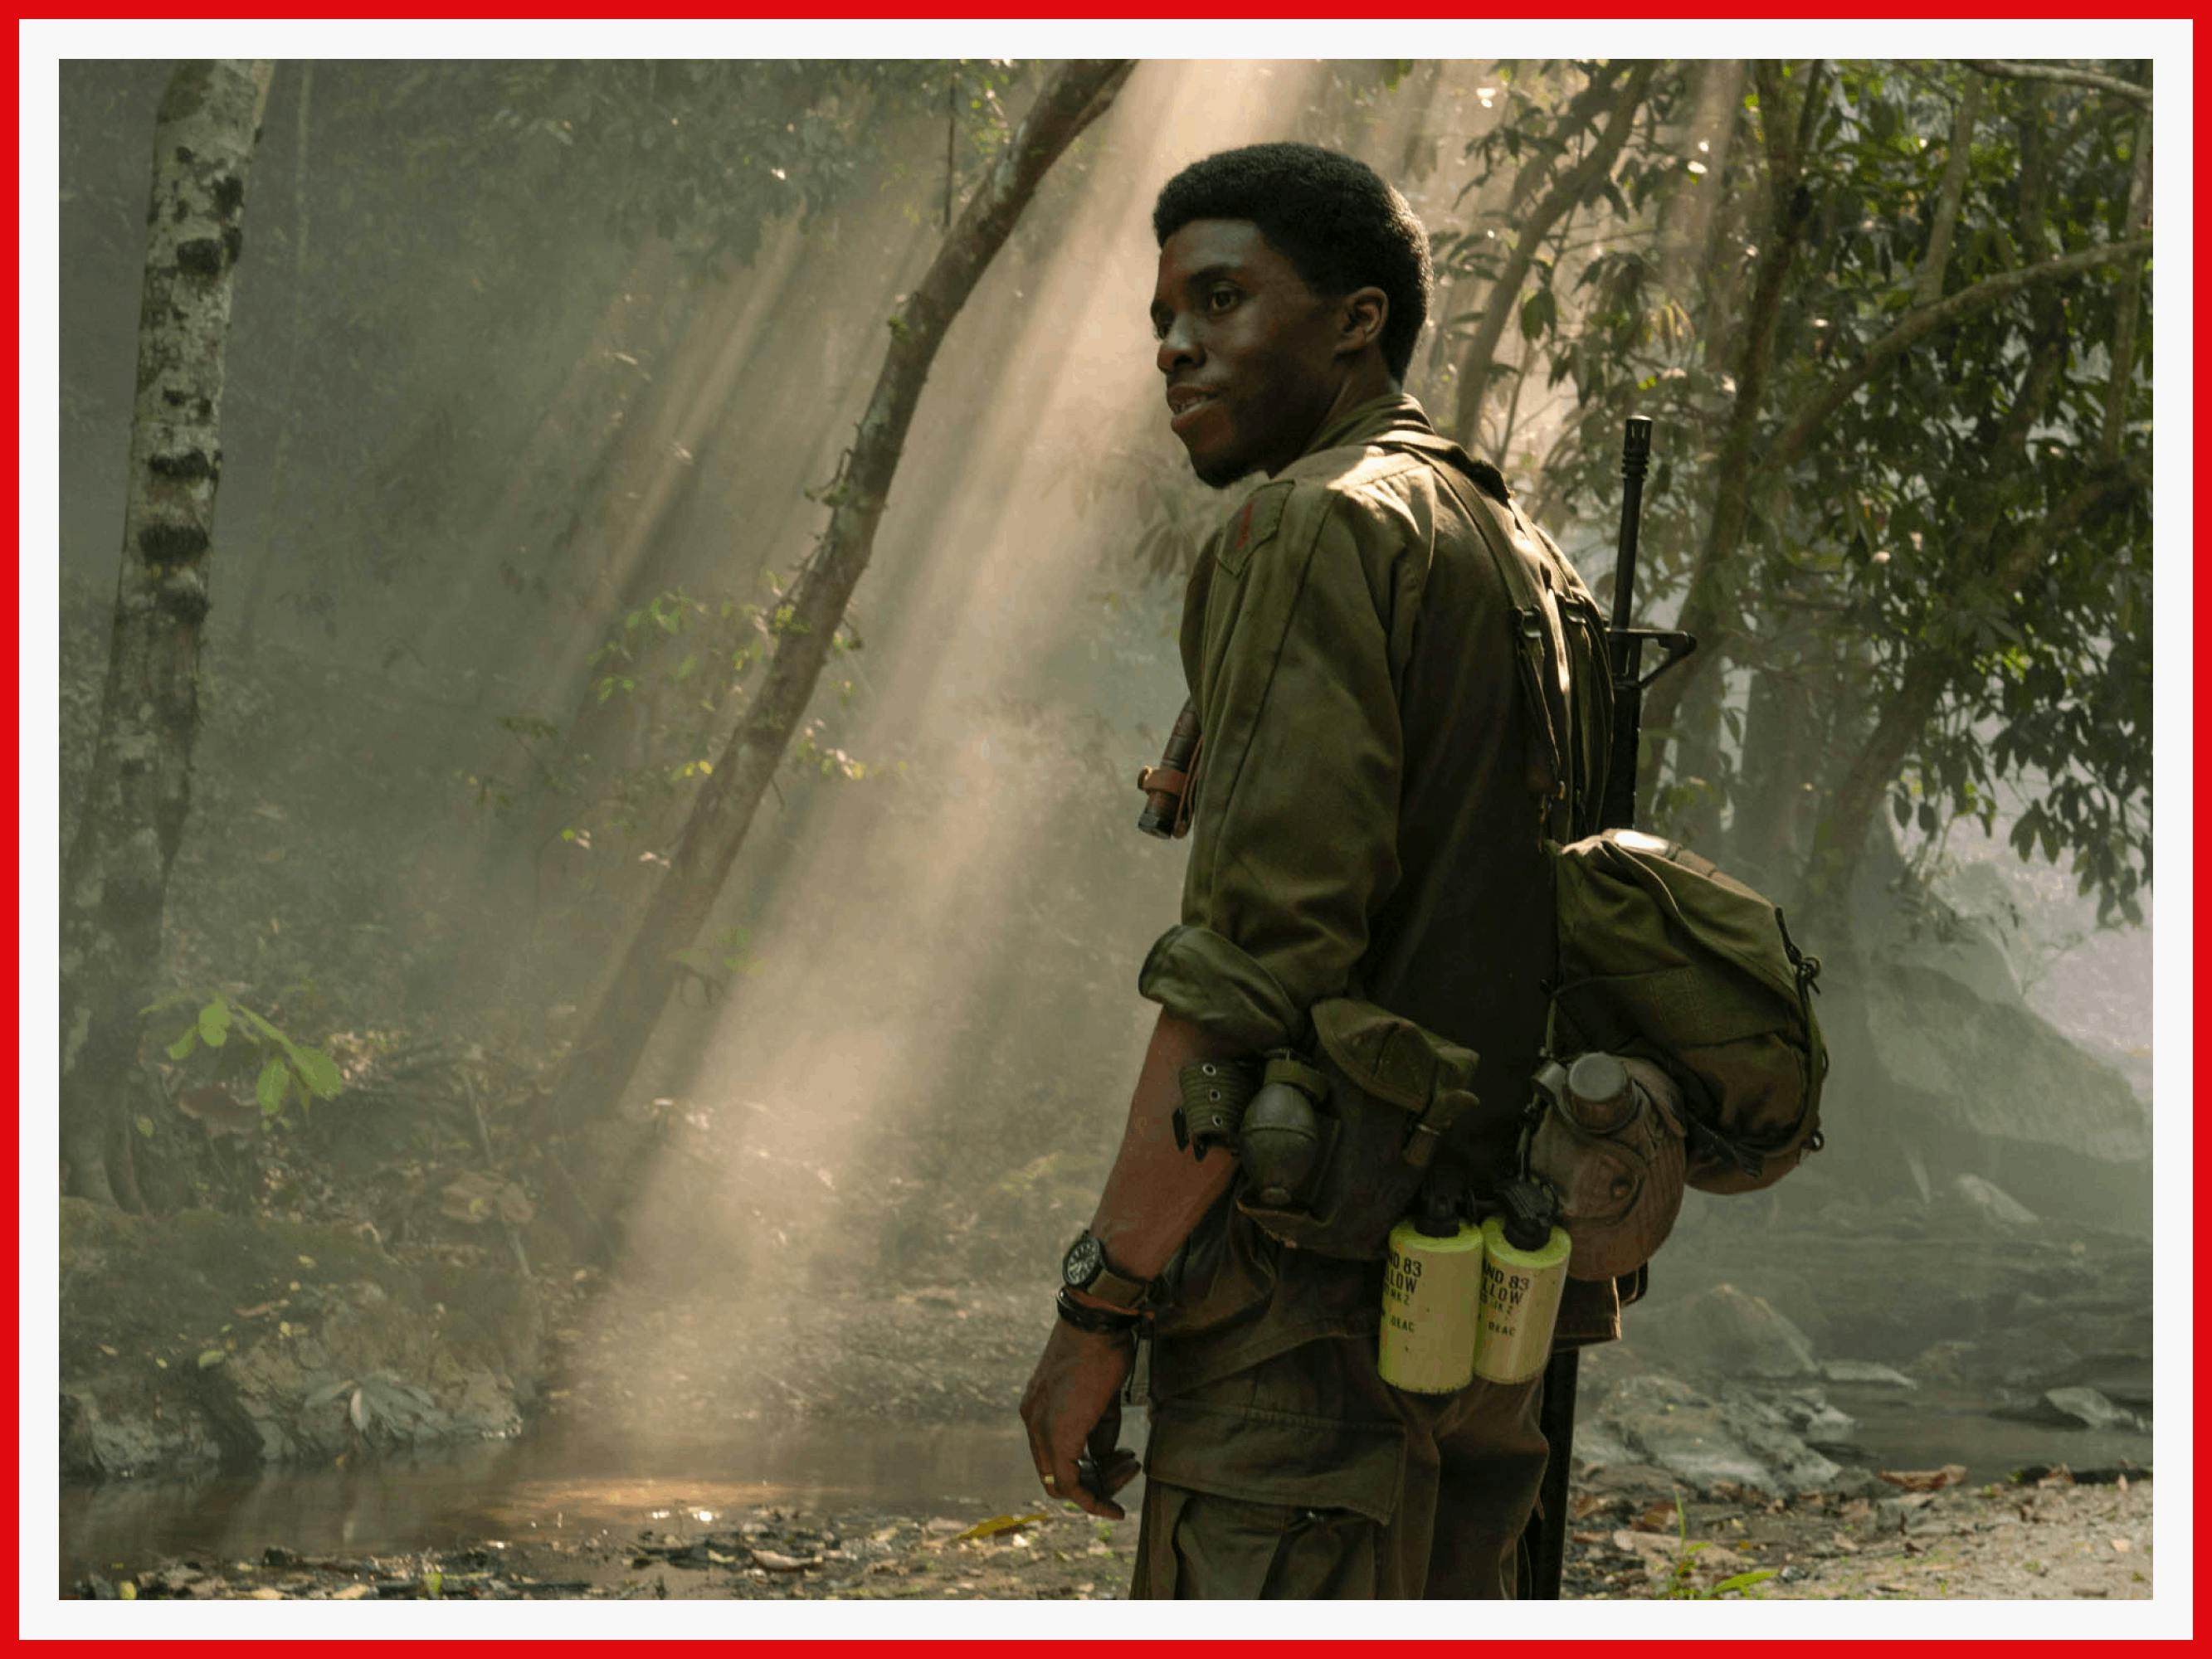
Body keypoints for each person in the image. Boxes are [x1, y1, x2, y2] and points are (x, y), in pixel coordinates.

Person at [1018, 142, 1620, 1599]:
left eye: (1220, 299)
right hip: (1495, 1305)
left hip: (1311, 1324)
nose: (1174, 346)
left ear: (1356, 320)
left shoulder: (1316, 522)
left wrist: (1100, 1306)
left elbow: (1252, 973)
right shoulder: (1522, 552)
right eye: (1161, 315)